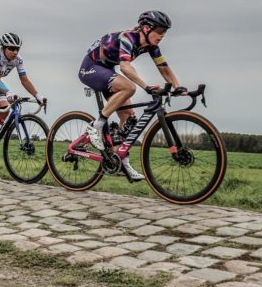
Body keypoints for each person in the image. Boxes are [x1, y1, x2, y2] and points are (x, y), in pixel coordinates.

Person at [78, 10, 186, 182]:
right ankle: (96, 126)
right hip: (91, 68)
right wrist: (146, 86)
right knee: (129, 86)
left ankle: (121, 163)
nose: (162, 36)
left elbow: (164, 68)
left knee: (128, 118)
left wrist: (178, 87)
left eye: (164, 32)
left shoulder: (151, 47)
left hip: (106, 70)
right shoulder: (129, 37)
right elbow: (125, 68)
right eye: (159, 31)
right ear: (146, 28)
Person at [0, 33, 46, 156]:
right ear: (3, 48)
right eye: (11, 48)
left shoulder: (18, 59)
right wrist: (8, 92)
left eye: (17, 49)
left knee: (6, 107)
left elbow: (24, 80)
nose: (15, 52)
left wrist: (38, 96)